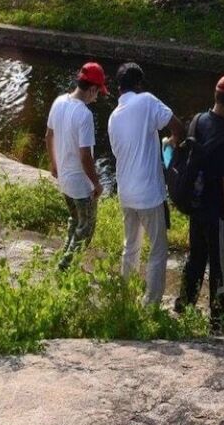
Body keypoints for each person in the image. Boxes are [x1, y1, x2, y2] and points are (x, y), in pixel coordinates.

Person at [108, 63, 182, 304]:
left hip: (125, 193)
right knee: (158, 249)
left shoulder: (113, 117)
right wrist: (171, 142)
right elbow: (177, 127)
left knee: (131, 246)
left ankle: (125, 296)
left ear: (119, 88)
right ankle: (151, 304)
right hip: (149, 194)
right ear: (139, 84)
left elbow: (120, 153)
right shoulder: (147, 101)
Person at [178, 76, 224, 332]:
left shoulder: (197, 120)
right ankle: (219, 315)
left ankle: (185, 303)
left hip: (195, 205)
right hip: (216, 213)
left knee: (196, 257)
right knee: (219, 264)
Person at [46, 62, 107, 270]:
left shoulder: (58, 102)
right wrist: (96, 184)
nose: (97, 97)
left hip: (64, 178)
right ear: (92, 89)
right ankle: (64, 268)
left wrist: (54, 164)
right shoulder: (84, 115)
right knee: (86, 228)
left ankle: (64, 255)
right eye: (98, 93)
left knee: (74, 219)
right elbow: (85, 155)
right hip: (81, 185)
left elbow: (49, 135)